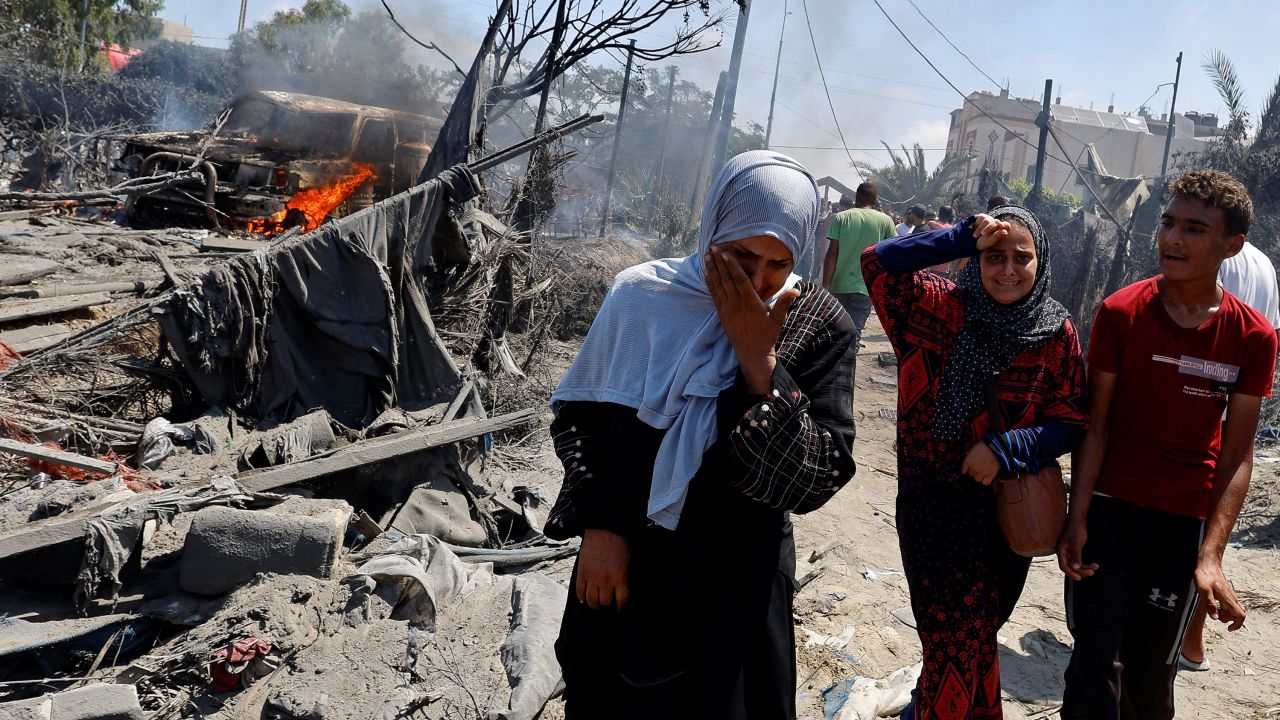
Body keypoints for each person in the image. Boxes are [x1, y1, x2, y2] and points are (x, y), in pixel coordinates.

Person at [545, 150, 858, 719]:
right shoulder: (642, 296)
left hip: (741, 575)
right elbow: (582, 422)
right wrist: (601, 528)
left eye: (778, 263)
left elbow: (818, 474)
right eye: (740, 254)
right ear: (713, 228)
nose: (755, 280)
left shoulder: (817, 324)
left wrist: (758, 358)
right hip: (634, 555)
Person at [1057, 170, 1278, 719]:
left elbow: (1236, 455)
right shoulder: (1120, 313)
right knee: (1093, 669)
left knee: (1151, 678)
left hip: (1182, 525)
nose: (1173, 239)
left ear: (1232, 246)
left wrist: (1211, 556)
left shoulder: (1253, 337)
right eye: (1169, 223)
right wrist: (1077, 516)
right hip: (1110, 516)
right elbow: (1097, 425)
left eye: (1195, 229)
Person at [862, 206, 1088, 718]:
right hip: (934, 507)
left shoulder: (1056, 333)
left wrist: (1006, 450)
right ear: (976, 260)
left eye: (1021, 258)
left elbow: (1072, 420)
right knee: (951, 643)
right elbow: (876, 261)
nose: (1008, 269)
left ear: (1041, 261)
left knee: (976, 639)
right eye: (994, 257)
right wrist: (960, 237)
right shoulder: (935, 306)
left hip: (1008, 512)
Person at [1177, 236, 1280, 671]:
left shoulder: (1217, 258)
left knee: (1191, 528)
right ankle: (1191, 643)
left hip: (1201, 400)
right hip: (1236, 402)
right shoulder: (1265, 266)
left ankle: (1188, 639)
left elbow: (1199, 319)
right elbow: (1270, 331)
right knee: (1210, 528)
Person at [822, 182, 898, 342]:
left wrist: (826, 285)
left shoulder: (842, 217)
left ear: (856, 197)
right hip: (866, 288)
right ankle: (847, 364)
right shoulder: (886, 221)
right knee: (853, 335)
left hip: (838, 286)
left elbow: (831, 254)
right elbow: (891, 255)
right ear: (876, 200)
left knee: (833, 331)